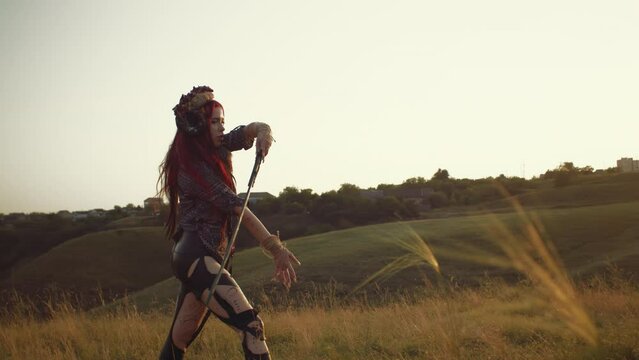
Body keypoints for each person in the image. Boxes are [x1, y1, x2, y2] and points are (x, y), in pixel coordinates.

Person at [157, 86, 301, 360]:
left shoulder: (217, 145)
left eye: (223, 121)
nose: (222, 127)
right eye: (215, 122)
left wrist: (263, 132)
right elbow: (239, 209)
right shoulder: (192, 169)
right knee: (252, 326)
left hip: (206, 257)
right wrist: (276, 248)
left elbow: (246, 132)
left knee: (178, 341)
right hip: (196, 256)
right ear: (198, 126)